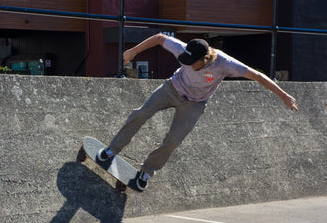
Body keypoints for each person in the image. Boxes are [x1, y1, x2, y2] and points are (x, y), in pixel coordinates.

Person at [97, 33, 298, 191]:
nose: (186, 63)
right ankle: (112, 149)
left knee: (174, 140)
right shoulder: (184, 50)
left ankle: (146, 172)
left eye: (191, 62)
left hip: (195, 104)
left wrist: (283, 96)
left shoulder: (226, 64)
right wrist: (133, 52)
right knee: (140, 113)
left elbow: (258, 76)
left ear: (204, 59)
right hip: (172, 89)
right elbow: (159, 38)